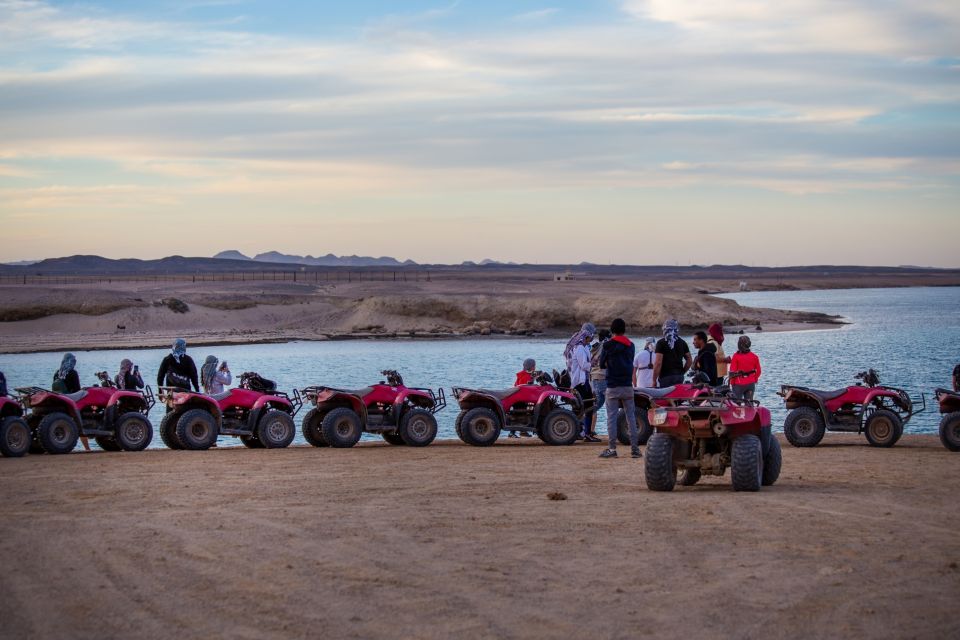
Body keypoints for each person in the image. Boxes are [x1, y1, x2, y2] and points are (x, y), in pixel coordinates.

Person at [598, 318, 640, 459]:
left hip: (612, 385)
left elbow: (602, 364)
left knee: (611, 418)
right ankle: (635, 450)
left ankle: (612, 449)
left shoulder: (607, 345)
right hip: (627, 385)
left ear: (612, 330)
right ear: (624, 330)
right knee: (631, 417)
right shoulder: (631, 345)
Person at [564, 322, 596, 440]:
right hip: (580, 382)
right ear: (586, 336)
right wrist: (593, 363)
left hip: (582, 381)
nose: (591, 339)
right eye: (590, 337)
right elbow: (584, 366)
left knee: (583, 407)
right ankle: (585, 433)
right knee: (587, 406)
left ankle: (581, 432)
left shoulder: (582, 347)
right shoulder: (580, 348)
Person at [52, 353, 89, 451]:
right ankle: (87, 448)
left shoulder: (57, 373)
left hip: (60, 398)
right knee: (81, 417)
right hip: (72, 399)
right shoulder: (72, 373)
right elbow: (77, 389)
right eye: (73, 361)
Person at [587, 329, 612, 442]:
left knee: (596, 405)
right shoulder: (605, 346)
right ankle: (610, 432)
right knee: (610, 406)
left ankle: (586, 429)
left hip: (594, 377)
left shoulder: (594, 347)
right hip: (602, 377)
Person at [653, 319, 692, 387]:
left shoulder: (661, 343)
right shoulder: (682, 342)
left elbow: (658, 363)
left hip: (666, 377)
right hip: (679, 376)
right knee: (678, 396)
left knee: (667, 397)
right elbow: (689, 360)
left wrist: (654, 380)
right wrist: (682, 372)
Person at [508, 358, 537, 438]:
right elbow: (525, 389)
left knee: (519, 413)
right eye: (534, 366)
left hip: (516, 398)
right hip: (520, 399)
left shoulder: (523, 374)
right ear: (532, 367)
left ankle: (523, 431)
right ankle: (512, 432)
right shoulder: (526, 377)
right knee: (520, 413)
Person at [729, 335, 762, 401]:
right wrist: (754, 379)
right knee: (749, 404)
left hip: (738, 384)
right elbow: (759, 371)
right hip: (751, 384)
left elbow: (732, 372)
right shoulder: (754, 356)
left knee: (737, 404)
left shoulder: (736, 356)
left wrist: (732, 383)